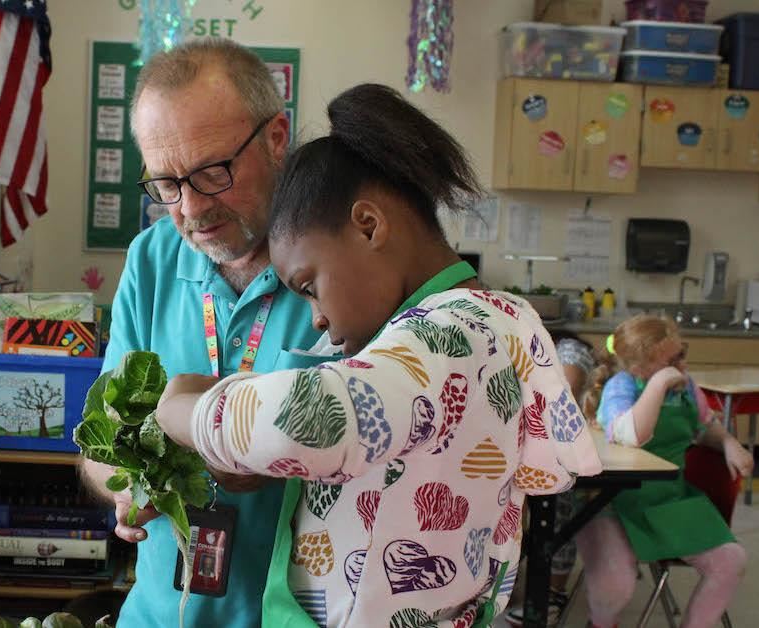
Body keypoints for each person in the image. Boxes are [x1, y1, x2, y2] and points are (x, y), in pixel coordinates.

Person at [154, 83, 603, 627]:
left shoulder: (439, 336)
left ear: (369, 226)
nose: (317, 317)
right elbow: (556, 464)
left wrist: (184, 409)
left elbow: (305, 420)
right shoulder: (510, 319)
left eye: (310, 285)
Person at [77, 38, 325, 627]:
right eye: (165, 185)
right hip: (158, 615)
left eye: (212, 173)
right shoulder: (152, 258)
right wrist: (121, 484)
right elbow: (99, 442)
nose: (189, 209)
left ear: (276, 138)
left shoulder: (337, 255)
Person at [574, 314, 751, 628]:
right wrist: (657, 384)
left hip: (669, 499)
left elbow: (702, 427)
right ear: (639, 369)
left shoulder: (686, 388)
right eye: (670, 361)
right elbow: (632, 435)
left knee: (731, 560)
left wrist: (726, 441)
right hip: (611, 503)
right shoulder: (621, 387)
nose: (680, 366)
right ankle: (601, 623)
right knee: (615, 580)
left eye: (681, 354)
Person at [505, 330, 597, 626]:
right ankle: (508, 580)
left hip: (561, 448)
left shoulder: (569, 350)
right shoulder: (505, 342)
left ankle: (553, 592)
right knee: (506, 504)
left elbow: (562, 394)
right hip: (522, 444)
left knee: (558, 508)